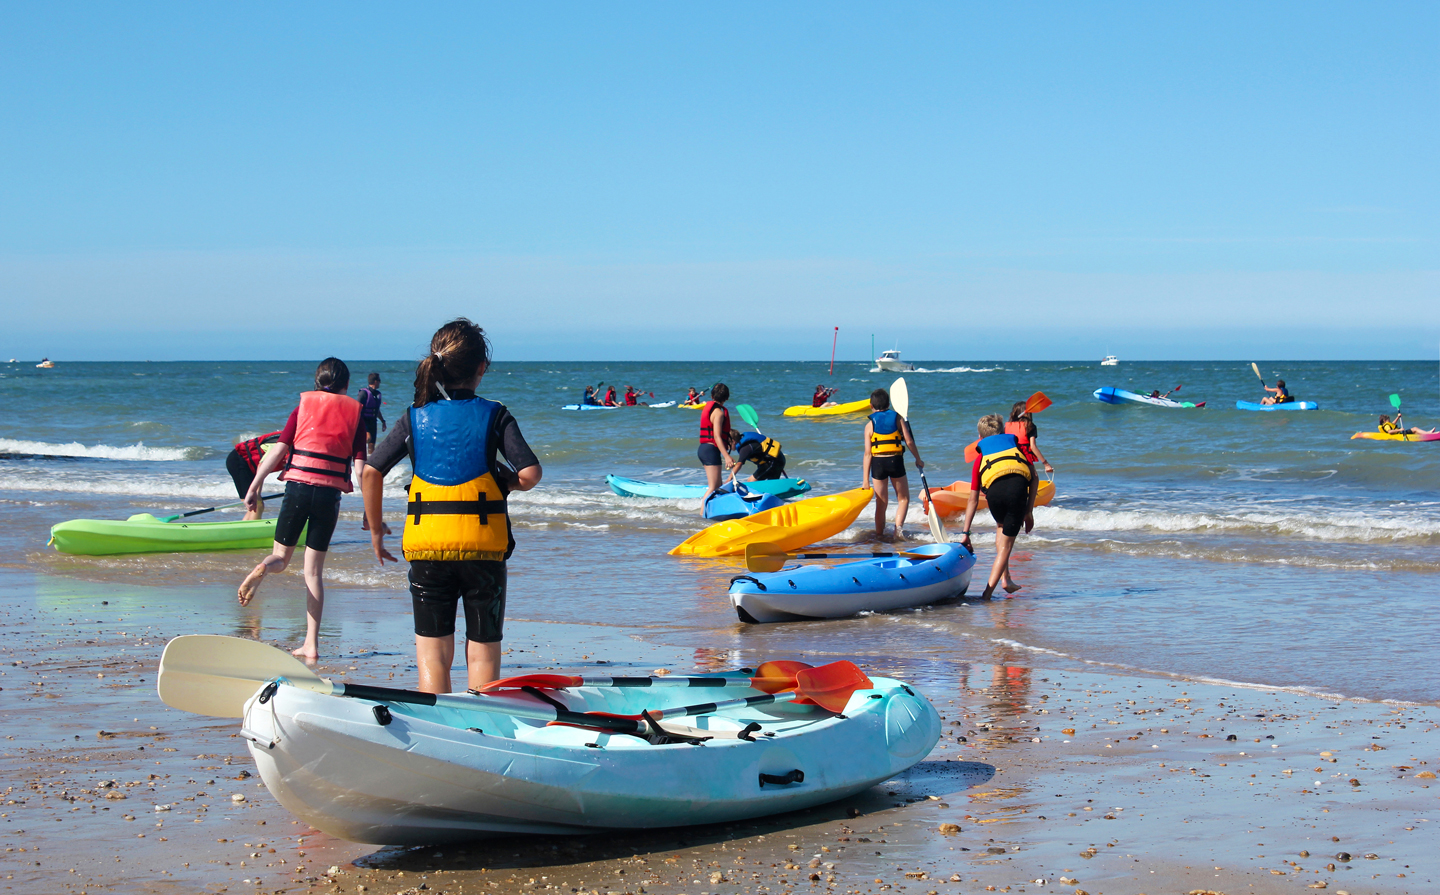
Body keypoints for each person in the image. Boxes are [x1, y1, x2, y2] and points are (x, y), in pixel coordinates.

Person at [361, 318, 542, 694]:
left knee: (433, 656)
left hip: (428, 548)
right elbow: (530, 474)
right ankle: (484, 719)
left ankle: (436, 723)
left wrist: (376, 530)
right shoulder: (495, 414)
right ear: (481, 368)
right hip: (483, 551)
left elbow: (371, 471)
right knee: (482, 655)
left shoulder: (413, 417)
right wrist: (505, 481)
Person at [237, 357, 369, 661]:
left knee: (281, 558)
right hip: (328, 496)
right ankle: (311, 644)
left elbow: (278, 451)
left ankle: (264, 567)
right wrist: (370, 509)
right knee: (313, 572)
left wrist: (255, 485)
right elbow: (361, 470)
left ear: (317, 382)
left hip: (297, 489)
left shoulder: (302, 408)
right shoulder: (356, 416)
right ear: (347, 385)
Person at [959, 414, 1038, 598]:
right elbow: (1034, 478)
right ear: (1003, 432)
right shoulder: (1017, 448)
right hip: (1016, 494)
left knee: (1000, 527)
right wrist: (1029, 511)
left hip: (994, 497)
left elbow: (973, 499)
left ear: (980, 437)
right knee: (1006, 548)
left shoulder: (981, 458)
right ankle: (987, 595)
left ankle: (1006, 578)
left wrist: (965, 533)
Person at [861, 388, 924, 540]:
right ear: (888, 404)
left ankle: (879, 535)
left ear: (871, 406)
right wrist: (918, 459)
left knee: (881, 503)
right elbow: (909, 441)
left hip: (878, 463)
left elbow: (867, 454)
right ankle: (897, 532)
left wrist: (865, 480)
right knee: (903, 499)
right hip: (895, 461)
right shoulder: (898, 418)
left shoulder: (869, 425)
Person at [225, 429, 282, 520]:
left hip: (249, 465)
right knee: (256, 505)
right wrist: (256, 493)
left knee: (254, 506)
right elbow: (262, 466)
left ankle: (243, 527)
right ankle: (249, 529)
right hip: (239, 460)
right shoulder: (282, 444)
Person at [698, 383, 739, 506]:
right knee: (713, 487)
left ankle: (713, 511)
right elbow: (717, 436)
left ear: (712, 396)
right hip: (710, 450)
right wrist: (727, 456)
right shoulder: (719, 413)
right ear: (727, 398)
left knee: (717, 486)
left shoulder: (708, 408)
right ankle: (702, 513)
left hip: (704, 448)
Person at [1007, 402, 1054, 475]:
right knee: (1034, 476)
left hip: (1010, 457)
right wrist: (1046, 464)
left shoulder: (1007, 426)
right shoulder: (1030, 426)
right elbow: (1033, 447)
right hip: (1025, 458)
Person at [358, 373, 387, 452]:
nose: (380, 382)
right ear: (375, 381)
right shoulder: (363, 393)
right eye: (379, 380)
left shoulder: (377, 394)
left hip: (373, 422)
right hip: (364, 421)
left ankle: (370, 458)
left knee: (372, 445)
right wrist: (365, 429)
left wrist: (383, 421)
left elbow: (376, 410)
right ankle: (359, 458)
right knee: (366, 440)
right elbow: (357, 409)